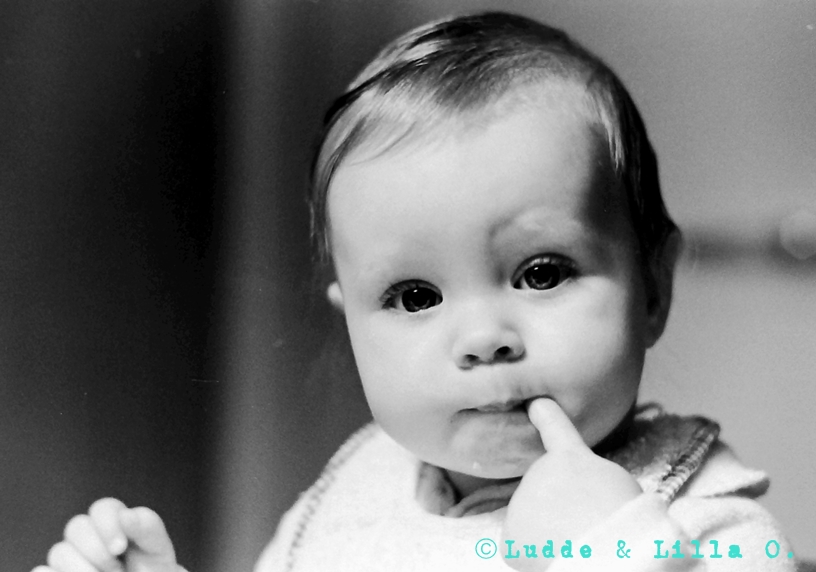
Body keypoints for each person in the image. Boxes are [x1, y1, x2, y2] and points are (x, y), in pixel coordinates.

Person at [33, 12, 795, 572]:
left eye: (541, 273)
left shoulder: (703, 516)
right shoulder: (351, 499)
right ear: (352, 327)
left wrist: (610, 551)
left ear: (653, 289)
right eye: (415, 296)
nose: (484, 338)